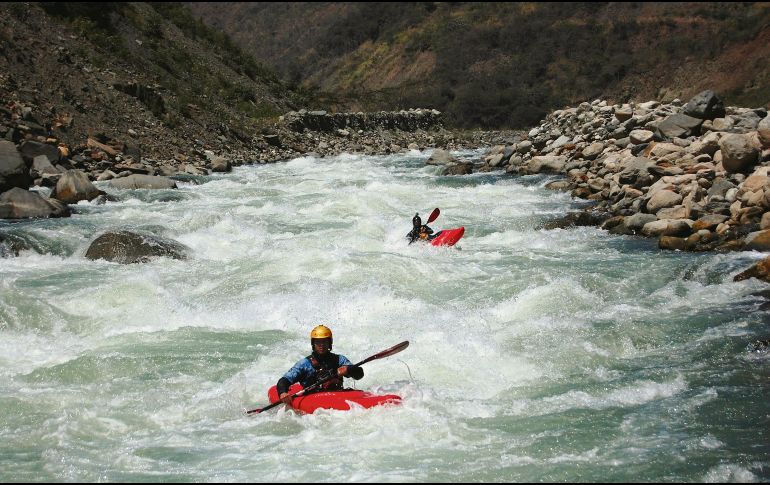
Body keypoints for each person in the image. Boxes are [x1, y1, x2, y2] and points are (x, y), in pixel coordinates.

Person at [277, 325, 364, 404]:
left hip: (337, 397)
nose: (321, 345)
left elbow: (359, 375)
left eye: (325, 342)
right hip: (313, 401)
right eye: (318, 342)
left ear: (329, 343)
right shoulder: (304, 364)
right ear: (313, 344)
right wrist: (282, 392)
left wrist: (348, 370)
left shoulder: (339, 359)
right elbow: (284, 380)